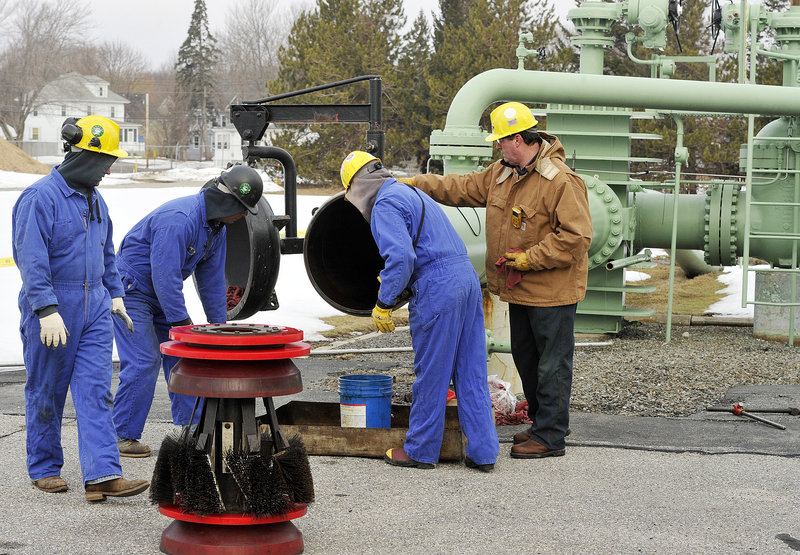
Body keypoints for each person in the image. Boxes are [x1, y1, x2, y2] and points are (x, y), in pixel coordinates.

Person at [401, 102, 593, 459]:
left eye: (501, 142)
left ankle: (551, 437)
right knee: (527, 358)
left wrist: (530, 258)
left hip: (553, 293)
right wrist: (416, 183)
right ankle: (541, 424)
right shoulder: (503, 173)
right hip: (520, 290)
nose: (498, 148)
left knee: (552, 364)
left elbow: (577, 237)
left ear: (518, 140)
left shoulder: (561, 182)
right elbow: (462, 187)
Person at [12, 115, 150, 502]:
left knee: (95, 391)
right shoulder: (40, 198)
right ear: (81, 153)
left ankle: (102, 474)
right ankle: (43, 467)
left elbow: (107, 252)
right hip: (56, 307)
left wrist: (115, 293)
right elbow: (31, 258)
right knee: (47, 390)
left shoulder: (96, 199)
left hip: (95, 309)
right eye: (105, 160)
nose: (109, 169)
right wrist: (45, 308)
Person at [340, 151, 499, 472]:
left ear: (356, 186)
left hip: (438, 287)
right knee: (471, 373)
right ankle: (483, 452)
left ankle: (421, 451)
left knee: (433, 373)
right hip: (466, 280)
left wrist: (384, 304)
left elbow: (401, 259)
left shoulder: (385, 205)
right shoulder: (409, 192)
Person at [112, 164, 264, 457]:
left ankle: (193, 431)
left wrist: (218, 328)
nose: (245, 214)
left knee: (185, 359)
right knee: (144, 360)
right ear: (227, 200)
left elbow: (212, 280)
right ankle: (123, 436)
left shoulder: (216, 228)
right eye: (243, 207)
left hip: (161, 293)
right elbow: (164, 275)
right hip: (133, 292)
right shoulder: (178, 220)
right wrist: (182, 323)